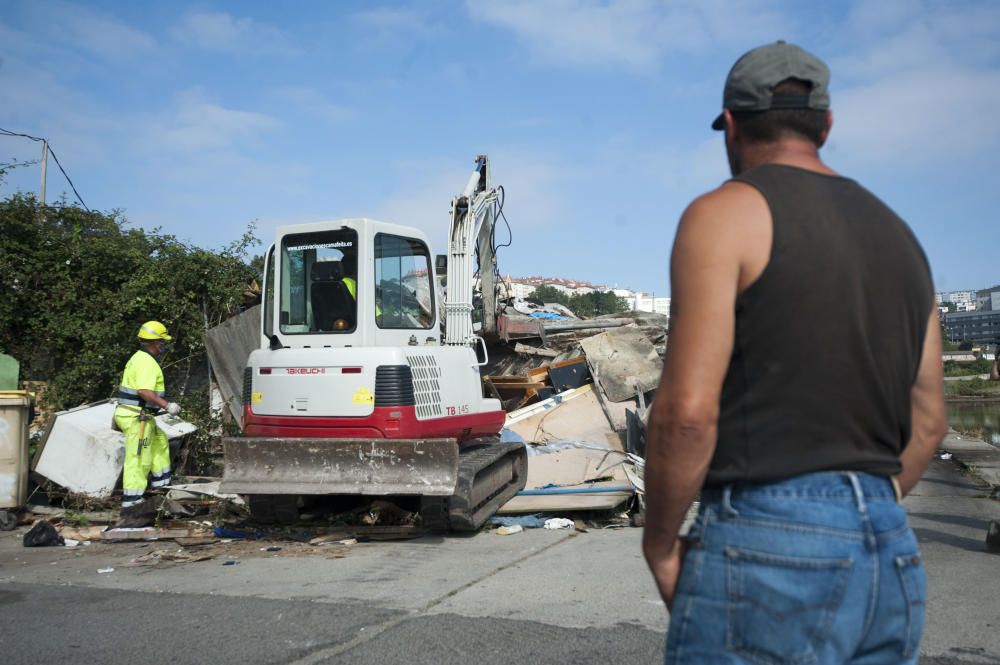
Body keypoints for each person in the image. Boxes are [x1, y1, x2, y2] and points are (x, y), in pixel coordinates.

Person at [642, 41, 947, 664]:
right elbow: (930, 421)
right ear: (826, 125)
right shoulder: (902, 239)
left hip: (768, 540)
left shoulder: (723, 215)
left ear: (730, 124)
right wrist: (864, 511)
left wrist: (662, 542)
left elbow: (688, 414)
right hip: (890, 554)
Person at [114, 321, 181, 515]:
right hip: (137, 419)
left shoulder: (140, 358)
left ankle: (161, 486)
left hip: (140, 417)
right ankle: (132, 502)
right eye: (162, 342)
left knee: (160, 442)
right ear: (156, 343)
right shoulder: (147, 362)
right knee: (139, 458)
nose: (164, 346)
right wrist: (166, 405)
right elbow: (144, 391)